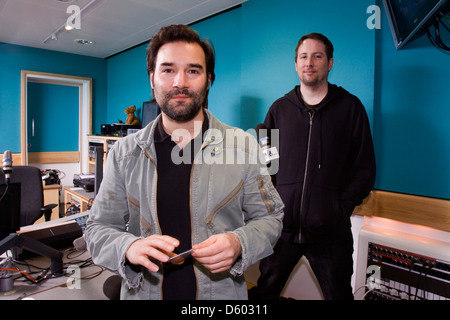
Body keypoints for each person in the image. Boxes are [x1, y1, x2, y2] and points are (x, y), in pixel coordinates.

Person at [84, 24, 284, 300]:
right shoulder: (124, 153)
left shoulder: (244, 146)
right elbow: (97, 228)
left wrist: (239, 242)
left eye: (193, 70)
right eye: (168, 70)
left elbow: (271, 217)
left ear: (209, 79)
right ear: (152, 78)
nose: (180, 82)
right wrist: (127, 248)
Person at [249, 33, 376, 300]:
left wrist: (338, 209)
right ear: (296, 64)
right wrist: (272, 208)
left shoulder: (350, 109)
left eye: (317, 56)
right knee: (264, 295)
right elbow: (264, 167)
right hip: (281, 232)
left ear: (329, 63)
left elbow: (364, 169)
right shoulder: (278, 110)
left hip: (330, 234)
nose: (310, 62)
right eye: (303, 57)